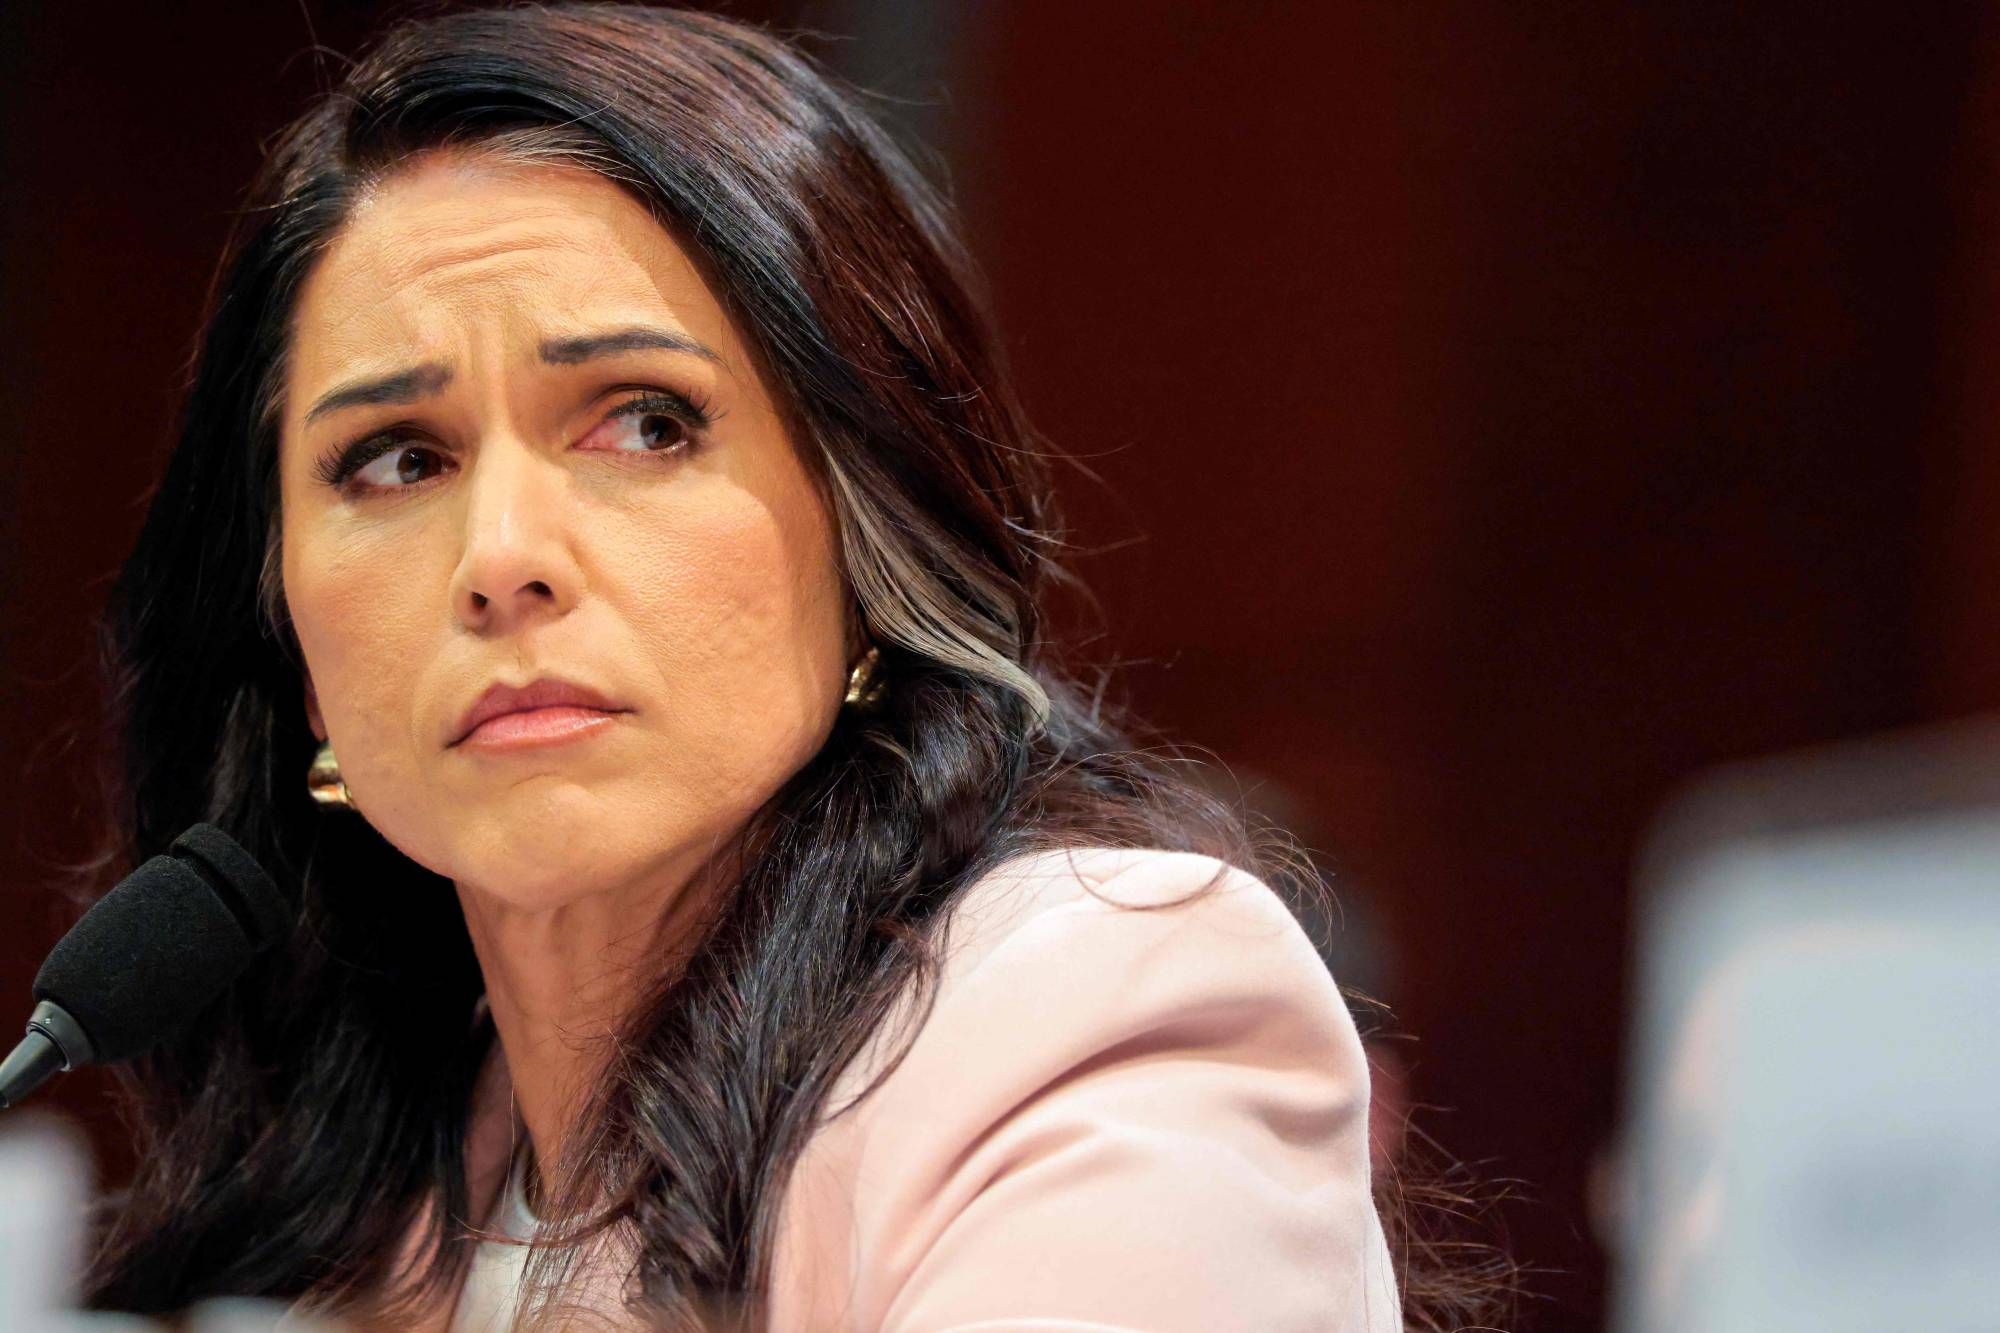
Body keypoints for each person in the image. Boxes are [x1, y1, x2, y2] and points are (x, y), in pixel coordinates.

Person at [70, 5, 1407, 1329]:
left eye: (646, 424)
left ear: (866, 527)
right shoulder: (370, 1208)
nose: (502, 557)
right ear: (294, 647)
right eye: (401, 460)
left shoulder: (1088, 1020)